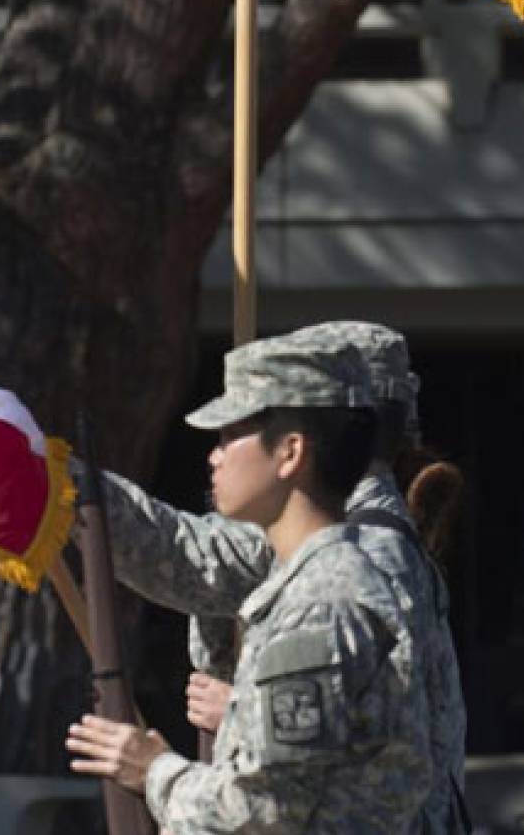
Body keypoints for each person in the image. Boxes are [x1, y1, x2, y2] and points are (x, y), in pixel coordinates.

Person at [85, 321, 468, 833]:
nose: (213, 454)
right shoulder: (345, 562)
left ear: (292, 451)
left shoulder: (336, 587)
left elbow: (261, 813)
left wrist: (157, 773)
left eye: (232, 433)